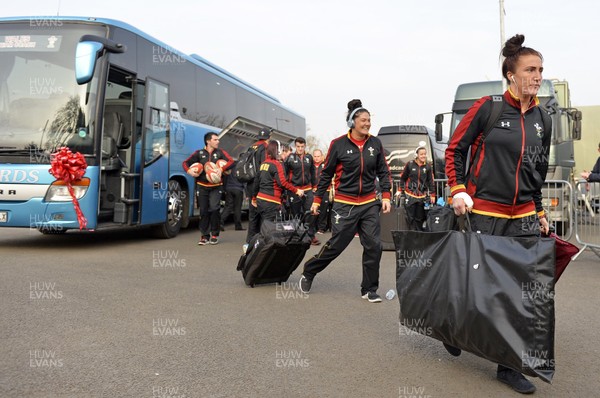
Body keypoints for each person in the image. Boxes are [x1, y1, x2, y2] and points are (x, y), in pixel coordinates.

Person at [445, 34, 551, 394]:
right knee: (475, 285)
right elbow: (455, 150)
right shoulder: (487, 107)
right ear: (511, 74)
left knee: (519, 291)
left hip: (521, 216)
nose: (537, 76)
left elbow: (539, 170)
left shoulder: (543, 119)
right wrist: (458, 189)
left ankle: (508, 366)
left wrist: (538, 210)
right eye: (530, 70)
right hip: (484, 212)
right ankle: (454, 326)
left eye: (540, 70)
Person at [298, 99, 392, 303]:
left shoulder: (375, 143)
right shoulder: (338, 144)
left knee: (374, 246)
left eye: (369, 120)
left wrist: (385, 195)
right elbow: (325, 175)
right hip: (344, 204)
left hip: (368, 202)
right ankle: (309, 271)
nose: (367, 124)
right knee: (336, 246)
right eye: (363, 120)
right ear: (352, 122)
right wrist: (317, 200)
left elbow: (383, 172)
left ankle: (369, 289)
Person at [183, 132, 234, 245]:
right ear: (208, 141)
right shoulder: (199, 153)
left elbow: (231, 162)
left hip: (216, 186)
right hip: (202, 186)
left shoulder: (221, 153)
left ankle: (215, 234)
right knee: (203, 211)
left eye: (218, 139)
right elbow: (185, 163)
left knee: (215, 209)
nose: (218, 141)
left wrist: (221, 169)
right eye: (215, 139)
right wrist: (189, 171)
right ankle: (204, 236)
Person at [253, 140, 305, 226]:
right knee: (272, 228)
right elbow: (282, 183)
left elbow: (256, 182)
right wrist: (296, 190)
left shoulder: (263, 164)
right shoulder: (277, 165)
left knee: (264, 226)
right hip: (271, 201)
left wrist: (254, 198)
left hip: (261, 200)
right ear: (278, 150)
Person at [284, 137, 319, 245]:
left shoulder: (309, 157)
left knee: (310, 213)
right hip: (294, 190)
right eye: (298, 146)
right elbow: (284, 176)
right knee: (296, 215)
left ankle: (311, 235)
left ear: (305, 146)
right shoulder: (289, 158)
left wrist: (315, 186)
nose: (300, 148)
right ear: (295, 146)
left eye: (302, 146)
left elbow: (313, 172)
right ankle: (297, 236)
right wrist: (288, 190)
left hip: (308, 189)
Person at [396, 145, 435, 231]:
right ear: (417, 155)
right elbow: (403, 178)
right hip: (410, 195)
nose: (423, 156)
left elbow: (430, 181)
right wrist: (400, 190)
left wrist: (432, 194)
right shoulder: (410, 164)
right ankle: (411, 236)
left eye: (425, 154)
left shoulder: (428, 167)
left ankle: (418, 237)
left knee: (419, 219)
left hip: (422, 196)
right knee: (410, 218)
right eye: (421, 154)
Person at [244, 127, 271, 246]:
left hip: (249, 183)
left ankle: (249, 240)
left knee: (252, 214)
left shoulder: (251, 147)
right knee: (261, 213)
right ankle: (260, 240)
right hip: (259, 185)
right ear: (268, 138)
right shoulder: (264, 148)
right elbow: (263, 168)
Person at [220, 161, 245, 231]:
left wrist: (225, 188)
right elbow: (244, 179)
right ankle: (238, 226)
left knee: (228, 206)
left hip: (229, 188)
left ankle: (220, 221)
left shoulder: (230, 166)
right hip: (238, 189)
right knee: (237, 208)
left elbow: (225, 177)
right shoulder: (242, 167)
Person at [312, 148, 331, 234]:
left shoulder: (326, 165)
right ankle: (313, 227)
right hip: (313, 191)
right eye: (315, 156)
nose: (316, 158)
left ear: (322, 156)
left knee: (323, 210)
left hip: (324, 190)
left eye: (318, 156)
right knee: (313, 210)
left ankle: (322, 228)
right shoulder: (310, 166)